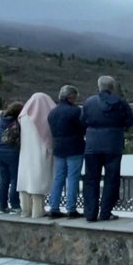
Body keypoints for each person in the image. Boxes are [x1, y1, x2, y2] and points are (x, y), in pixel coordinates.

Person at [81, 75, 133, 222]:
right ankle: (106, 212)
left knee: (91, 179)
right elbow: (130, 121)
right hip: (113, 145)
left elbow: (82, 121)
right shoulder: (120, 103)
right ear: (112, 87)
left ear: (99, 86)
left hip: (92, 146)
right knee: (111, 180)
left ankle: (90, 213)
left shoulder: (89, 102)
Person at [47, 85, 86, 218]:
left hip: (58, 148)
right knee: (73, 178)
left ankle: (54, 207)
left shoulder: (52, 112)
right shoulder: (76, 111)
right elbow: (83, 128)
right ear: (71, 97)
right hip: (74, 147)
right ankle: (71, 208)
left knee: (58, 178)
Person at [16, 93, 56, 218]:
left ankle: (25, 211)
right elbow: (49, 136)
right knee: (38, 181)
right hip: (41, 152)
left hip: (25, 154)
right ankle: (38, 211)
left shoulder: (23, 116)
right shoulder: (44, 116)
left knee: (25, 181)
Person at [0, 101, 24, 214]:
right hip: (12, 153)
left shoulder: (1, 120)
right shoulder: (17, 122)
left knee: (3, 180)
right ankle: (15, 205)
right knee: (14, 179)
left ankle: (2, 206)